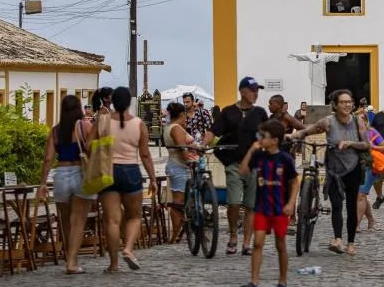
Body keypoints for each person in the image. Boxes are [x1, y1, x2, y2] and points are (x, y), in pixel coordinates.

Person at [290, 89, 371, 255]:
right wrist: (293, 136)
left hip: (353, 168)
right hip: (334, 170)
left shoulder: (358, 121)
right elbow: (308, 131)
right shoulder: (328, 122)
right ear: (335, 105)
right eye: (343, 102)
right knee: (336, 205)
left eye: (349, 102)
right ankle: (338, 239)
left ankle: (351, 243)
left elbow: (366, 144)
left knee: (351, 205)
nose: (347, 105)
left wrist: (349, 143)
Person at [91, 86, 157, 272]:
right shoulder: (139, 124)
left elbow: (89, 145)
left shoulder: (103, 121)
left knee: (112, 221)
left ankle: (113, 264)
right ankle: (128, 249)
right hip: (131, 172)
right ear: (129, 103)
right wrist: (152, 178)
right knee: (134, 217)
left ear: (113, 101)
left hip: (108, 172)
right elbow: (145, 155)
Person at [202, 76, 270, 256]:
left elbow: (268, 133)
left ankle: (246, 244)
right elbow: (213, 131)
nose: (256, 93)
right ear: (242, 91)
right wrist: (203, 145)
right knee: (233, 202)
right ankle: (233, 236)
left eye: (257, 90)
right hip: (234, 164)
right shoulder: (229, 112)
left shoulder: (260, 113)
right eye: (252, 90)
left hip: (255, 165)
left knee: (250, 205)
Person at [35, 94, 95, 274]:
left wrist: (43, 183)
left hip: (61, 174)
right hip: (81, 173)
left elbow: (48, 159)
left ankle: (70, 258)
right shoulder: (85, 126)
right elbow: (93, 149)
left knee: (65, 222)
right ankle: (72, 262)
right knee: (78, 222)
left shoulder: (55, 131)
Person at [239, 119, 299, 287]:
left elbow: (295, 182)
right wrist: (251, 151)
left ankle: (283, 281)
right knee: (257, 242)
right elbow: (243, 171)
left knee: (280, 244)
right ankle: (254, 281)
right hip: (262, 207)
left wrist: (290, 203)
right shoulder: (259, 156)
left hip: (279, 208)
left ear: (274, 140)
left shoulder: (285, 159)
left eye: (263, 136)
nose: (260, 139)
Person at [163, 102, 199, 243]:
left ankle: (179, 233)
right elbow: (182, 149)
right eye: (184, 114)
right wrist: (190, 160)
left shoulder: (169, 127)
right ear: (181, 114)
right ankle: (175, 234)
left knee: (180, 201)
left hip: (176, 165)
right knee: (178, 202)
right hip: (180, 166)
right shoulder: (176, 128)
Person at [357, 125, 384, 233]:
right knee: (360, 196)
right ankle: (371, 221)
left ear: (366, 121)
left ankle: (356, 225)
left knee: (361, 195)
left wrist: (373, 146)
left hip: (369, 167)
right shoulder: (349, 132)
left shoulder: (372, 132)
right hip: (353, 167)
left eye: (362, 120)